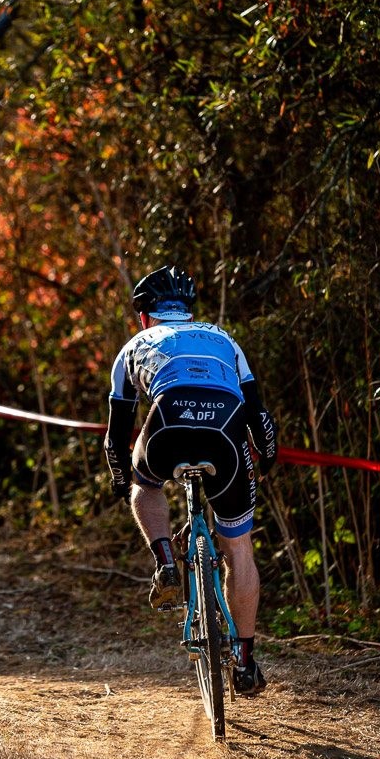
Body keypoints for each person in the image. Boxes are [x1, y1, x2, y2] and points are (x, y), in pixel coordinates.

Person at [103, 264, 278, 696]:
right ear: (188, 310)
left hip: (167, 425)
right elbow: (260, 419)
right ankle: (246, 660)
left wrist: (122, 480)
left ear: (145, 316)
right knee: (239, 548)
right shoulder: (224, 339)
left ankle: (165, 561)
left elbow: (116, 436)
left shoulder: (134, 346)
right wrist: (266, 461)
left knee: (146, 485)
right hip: (227, 432)